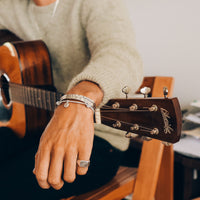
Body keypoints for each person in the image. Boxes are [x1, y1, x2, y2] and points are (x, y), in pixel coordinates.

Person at [0, 0, 143, 199]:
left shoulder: (95, 4)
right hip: (28, 125)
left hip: (95, 139)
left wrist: (79, 99)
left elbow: (121, 55)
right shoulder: (7, 6)